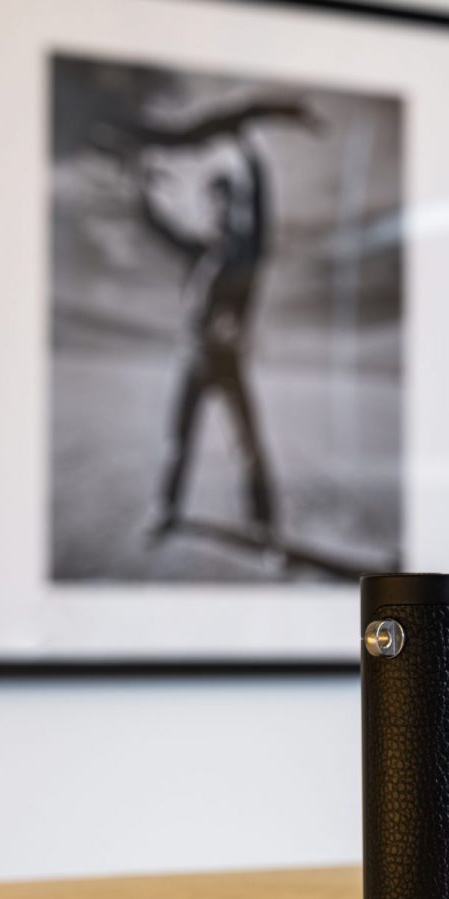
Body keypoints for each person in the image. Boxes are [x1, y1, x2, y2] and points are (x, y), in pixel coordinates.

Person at [95, 95, 325, 564]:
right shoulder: (202, 254)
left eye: (228, 203)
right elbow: (158, 227)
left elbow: (260, 210)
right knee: (178, 441)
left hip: (229, 362)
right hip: (193, 361)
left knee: (249, 447)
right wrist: (141, 187)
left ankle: (264, 529)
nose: (221, 211)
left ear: (236, 207)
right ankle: (167, 511)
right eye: (214, 203)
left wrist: (248, 155)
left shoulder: (248, 253)